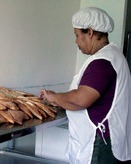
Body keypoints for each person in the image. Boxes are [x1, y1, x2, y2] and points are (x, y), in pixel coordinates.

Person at [39, 7, 131, 164]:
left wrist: (53, 96)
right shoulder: (113, 56)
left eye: (77, 35)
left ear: (90, 32)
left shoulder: (103, 61)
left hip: (100, 144)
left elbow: (81, 99)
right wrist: (59, 99)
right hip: (107, 140)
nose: (76, 41)